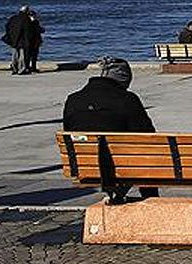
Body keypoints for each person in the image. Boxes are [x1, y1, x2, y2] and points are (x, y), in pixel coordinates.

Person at [63, 57, 158, 200]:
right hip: (122, 165)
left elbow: (69, 130)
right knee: (146, 155)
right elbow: (147, 135)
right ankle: (151, 200)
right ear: (123, 79)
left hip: (85, 165)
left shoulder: (73, 99)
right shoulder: (127, 99)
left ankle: (116, 196)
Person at [1, 6, 42, 75]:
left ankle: (14, 68)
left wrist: (11, 37)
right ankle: (21, 69)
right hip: (22, 40)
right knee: (22, 56)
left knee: (14, 55)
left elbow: (7, 27)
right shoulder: (26, 20)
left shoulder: (13, 18)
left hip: (13, 39)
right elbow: (28, 31)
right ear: (26, 11)